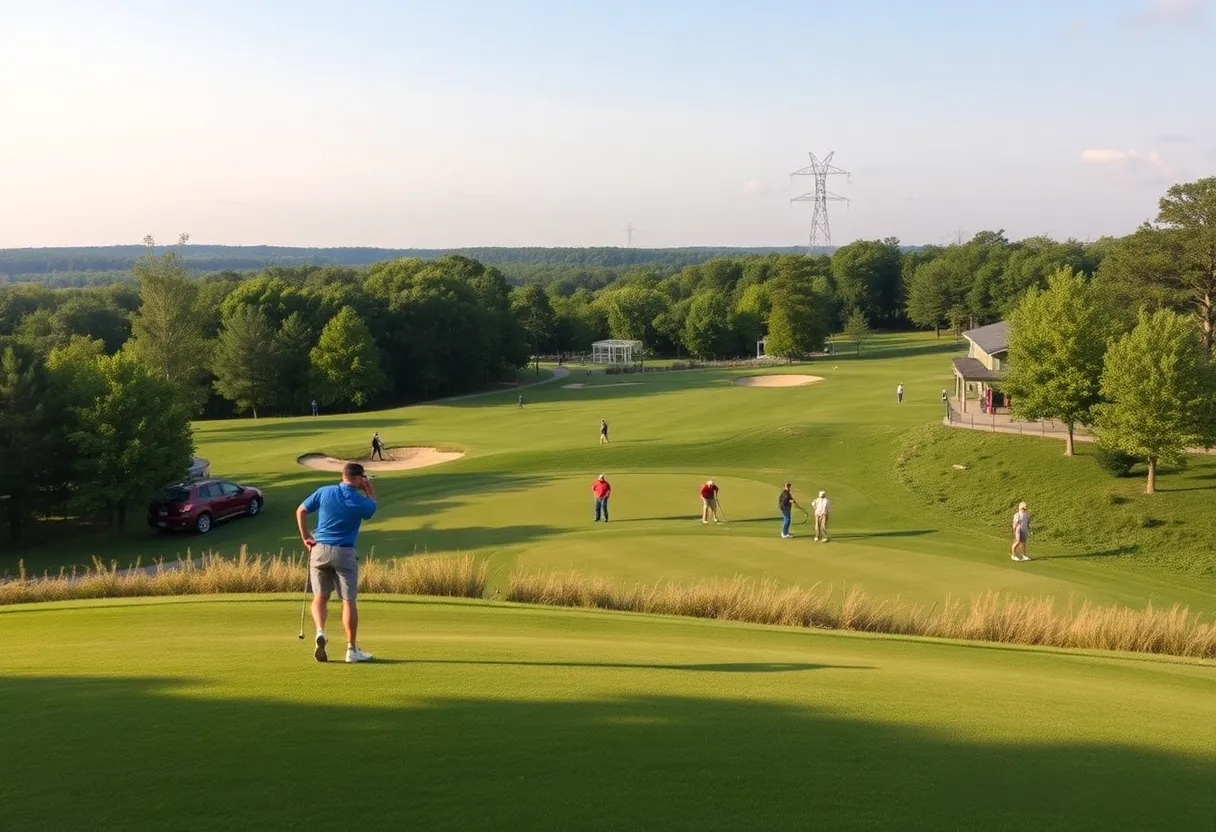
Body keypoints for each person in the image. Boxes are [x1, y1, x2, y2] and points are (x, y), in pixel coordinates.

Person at [296, 462, 377, 663]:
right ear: (358, 478)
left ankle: (320, 632)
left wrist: (306, 536)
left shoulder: (324, 491)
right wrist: (369, 490)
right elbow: (371, 509)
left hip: (319, 550)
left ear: (343, 476)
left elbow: (301, 511)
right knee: (348, 600)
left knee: (320, 597)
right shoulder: (359, 501)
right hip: (344, 552)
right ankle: (351, 649)